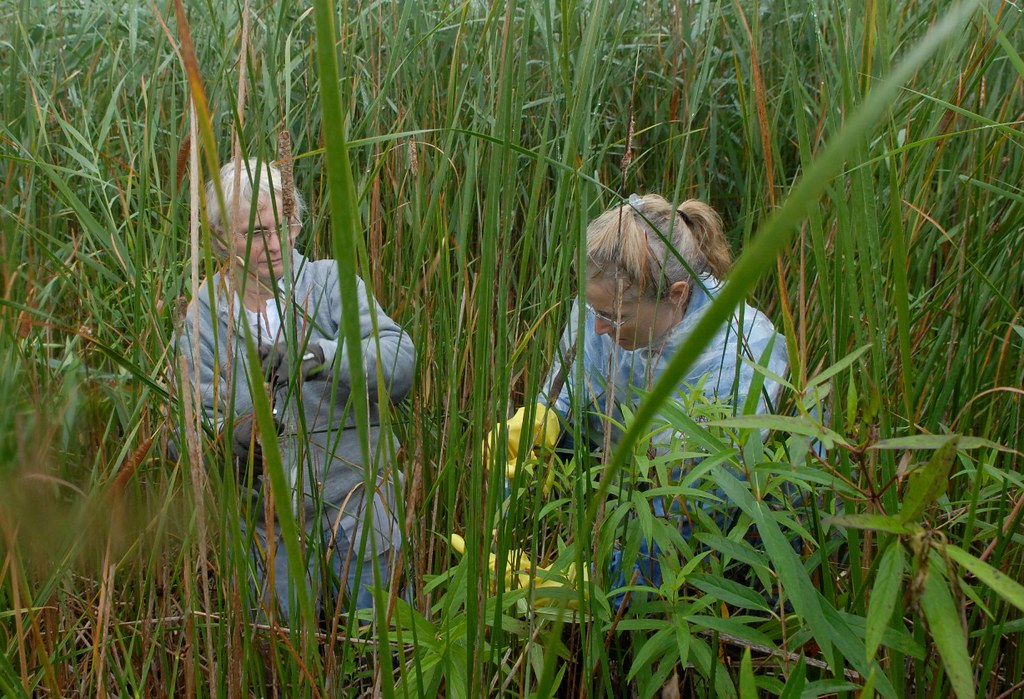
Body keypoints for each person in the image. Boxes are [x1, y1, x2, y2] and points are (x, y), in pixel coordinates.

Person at [489, 192, 788, 604]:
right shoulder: (605, 301)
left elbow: (690, 518)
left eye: (614, 317)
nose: (598, 328)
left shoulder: (740, 360)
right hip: (623, 479)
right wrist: (544, 419)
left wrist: (589, 590)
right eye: (592, 309)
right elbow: (569, 387)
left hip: (719, 535)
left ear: (677, 294)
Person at [175, 157, 416, 622]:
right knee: (282, 648)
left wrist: (322, 357)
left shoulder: (330, 283)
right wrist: (228, 439)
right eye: (255, 233)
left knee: (379, 643)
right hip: (266, 529)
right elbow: (187, 420)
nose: (274, 244)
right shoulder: (202, 317)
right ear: (221, 238)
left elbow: (400, 359)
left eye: (283, 226)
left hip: (359, 508)